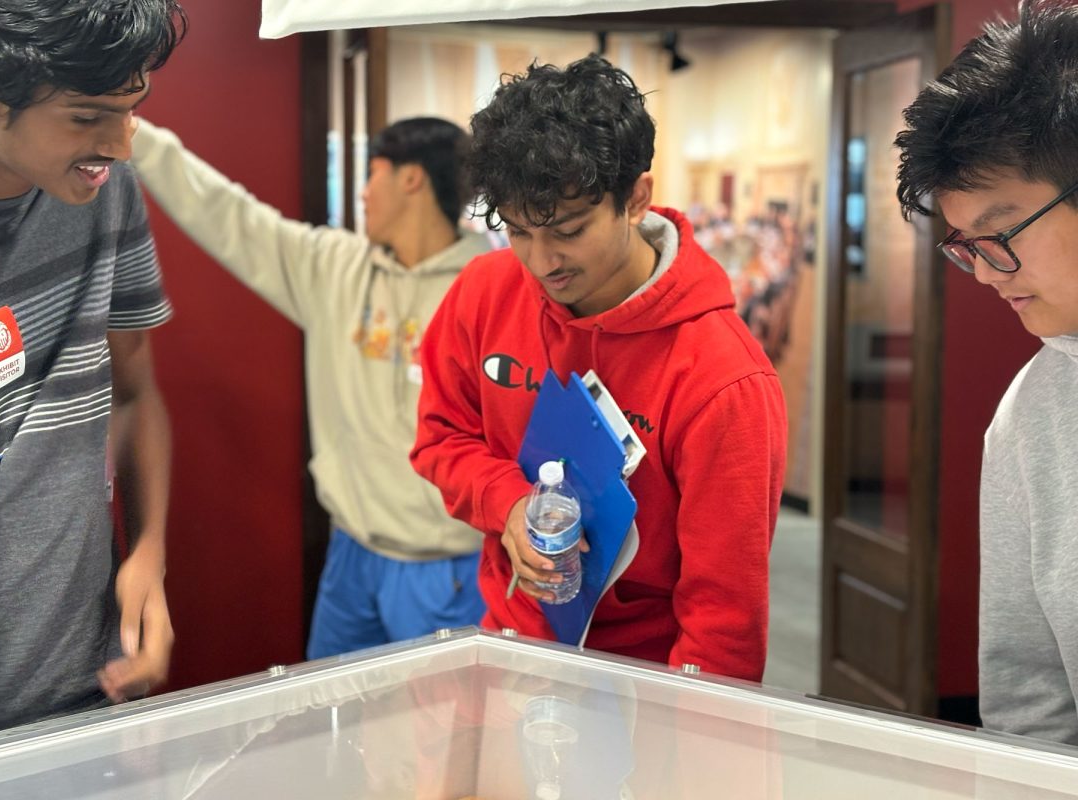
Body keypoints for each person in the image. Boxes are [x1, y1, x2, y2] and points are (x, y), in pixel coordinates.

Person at [410, 55, 786, 678]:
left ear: (636, 198)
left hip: (643, 683)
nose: (541, 260)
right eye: (520, 231)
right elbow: (439, 439)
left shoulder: (723, 379)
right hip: (507, 647)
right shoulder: (484, 291)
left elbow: (725, 620)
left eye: (569, 229)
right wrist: (508, 505)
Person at [0, 0, 184, 755]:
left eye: (130, 111)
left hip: (86, 691)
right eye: (86, 118)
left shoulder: (102, 190)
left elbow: (137, 391)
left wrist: (149, 553)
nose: (119, 145)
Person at [128, 116, 489, 659]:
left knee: (440, 738)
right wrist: (137, 136)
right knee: (332, 726)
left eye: (373, 174)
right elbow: (230, 215)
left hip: (448, 570)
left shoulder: (488, 286)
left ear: (411, 179)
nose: (363, 192)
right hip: (350, 558)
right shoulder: (333, 268)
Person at [894, 0, 1078, 746]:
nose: (982, 273)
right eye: (966, 244)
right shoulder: (1032, 414)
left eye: (999, 235)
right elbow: (1027, 701)